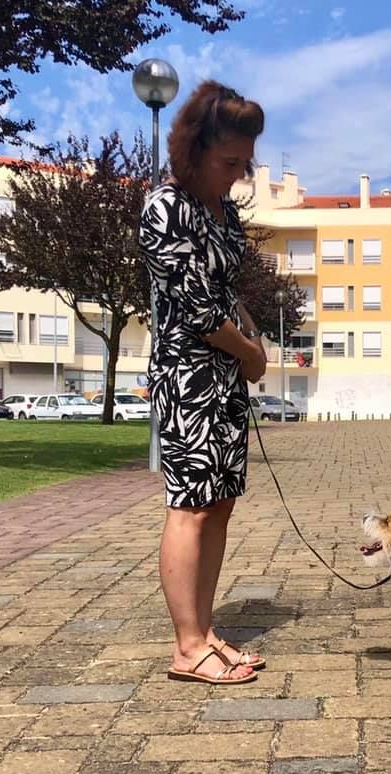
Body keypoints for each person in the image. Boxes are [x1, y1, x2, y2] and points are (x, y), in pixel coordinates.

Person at [138, 80, 268, 685]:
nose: (239, 176)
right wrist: (251, 356)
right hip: (188, 375)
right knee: (190, 506)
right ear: (194, 150)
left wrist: (252, 338)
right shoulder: (166, 208)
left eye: (245, 164)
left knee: (220, 503)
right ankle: (187, 647)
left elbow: (226, 290)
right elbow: (195, 308)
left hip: (225, 376)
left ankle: (206, 630)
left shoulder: (225, 212)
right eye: (229, 162)